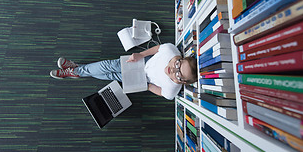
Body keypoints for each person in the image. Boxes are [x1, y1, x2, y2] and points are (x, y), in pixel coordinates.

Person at [50, 43, 198, 100]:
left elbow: (159, 91)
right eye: (178, 63)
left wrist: (144, 85)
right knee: (107, 65)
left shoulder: (172, 90)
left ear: (182, 81)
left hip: (142, 79)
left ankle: (76, 70)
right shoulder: (171, 50)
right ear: (181, 58)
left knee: (110, 75)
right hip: (142, 62)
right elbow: (157, 48)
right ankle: (77, 71)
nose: (172, 69)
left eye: (178, 74)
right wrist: (141, 55)